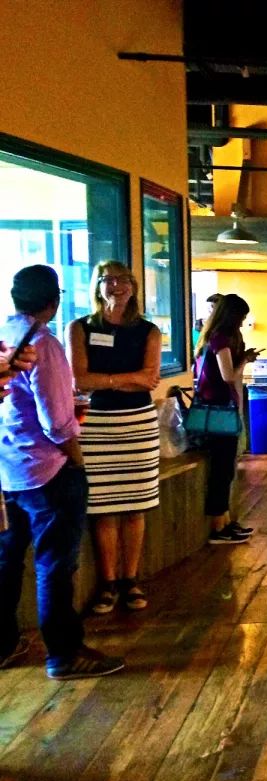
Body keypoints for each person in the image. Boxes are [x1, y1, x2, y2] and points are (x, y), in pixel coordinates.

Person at [0, 264, 125, 679]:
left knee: (7, 560)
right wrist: (77, 460)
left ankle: (4, 645)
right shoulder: (44, 344)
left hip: (8, 471)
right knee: (55, 565)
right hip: (47, 471)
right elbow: (57, 422)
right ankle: (64, 654)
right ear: (53, 301)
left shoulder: (5, 337)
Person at [68, 260, 161, 614]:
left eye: (123, 280)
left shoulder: (149, 331)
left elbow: (150, 379)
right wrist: (126, 378)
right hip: (95, 425)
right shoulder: (80, 328)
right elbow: (79, 380)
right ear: (97, 286)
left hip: (137, 424)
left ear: (133, 287)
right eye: (108, 280)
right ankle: (107, 583)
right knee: (103, 507)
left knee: (135, 506)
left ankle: (130, 579)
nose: (116, 286)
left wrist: (104, 380)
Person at [194, 294, 259, 544]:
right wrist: (245, 360)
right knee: (222, 471)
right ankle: (218, 528)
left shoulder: (213, 336)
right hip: (219, 410)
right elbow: (228, 375)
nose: (242, 322)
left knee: (226, 470)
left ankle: (226, 522)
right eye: (241, 317)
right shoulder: (220, 338)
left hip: (219, 408)